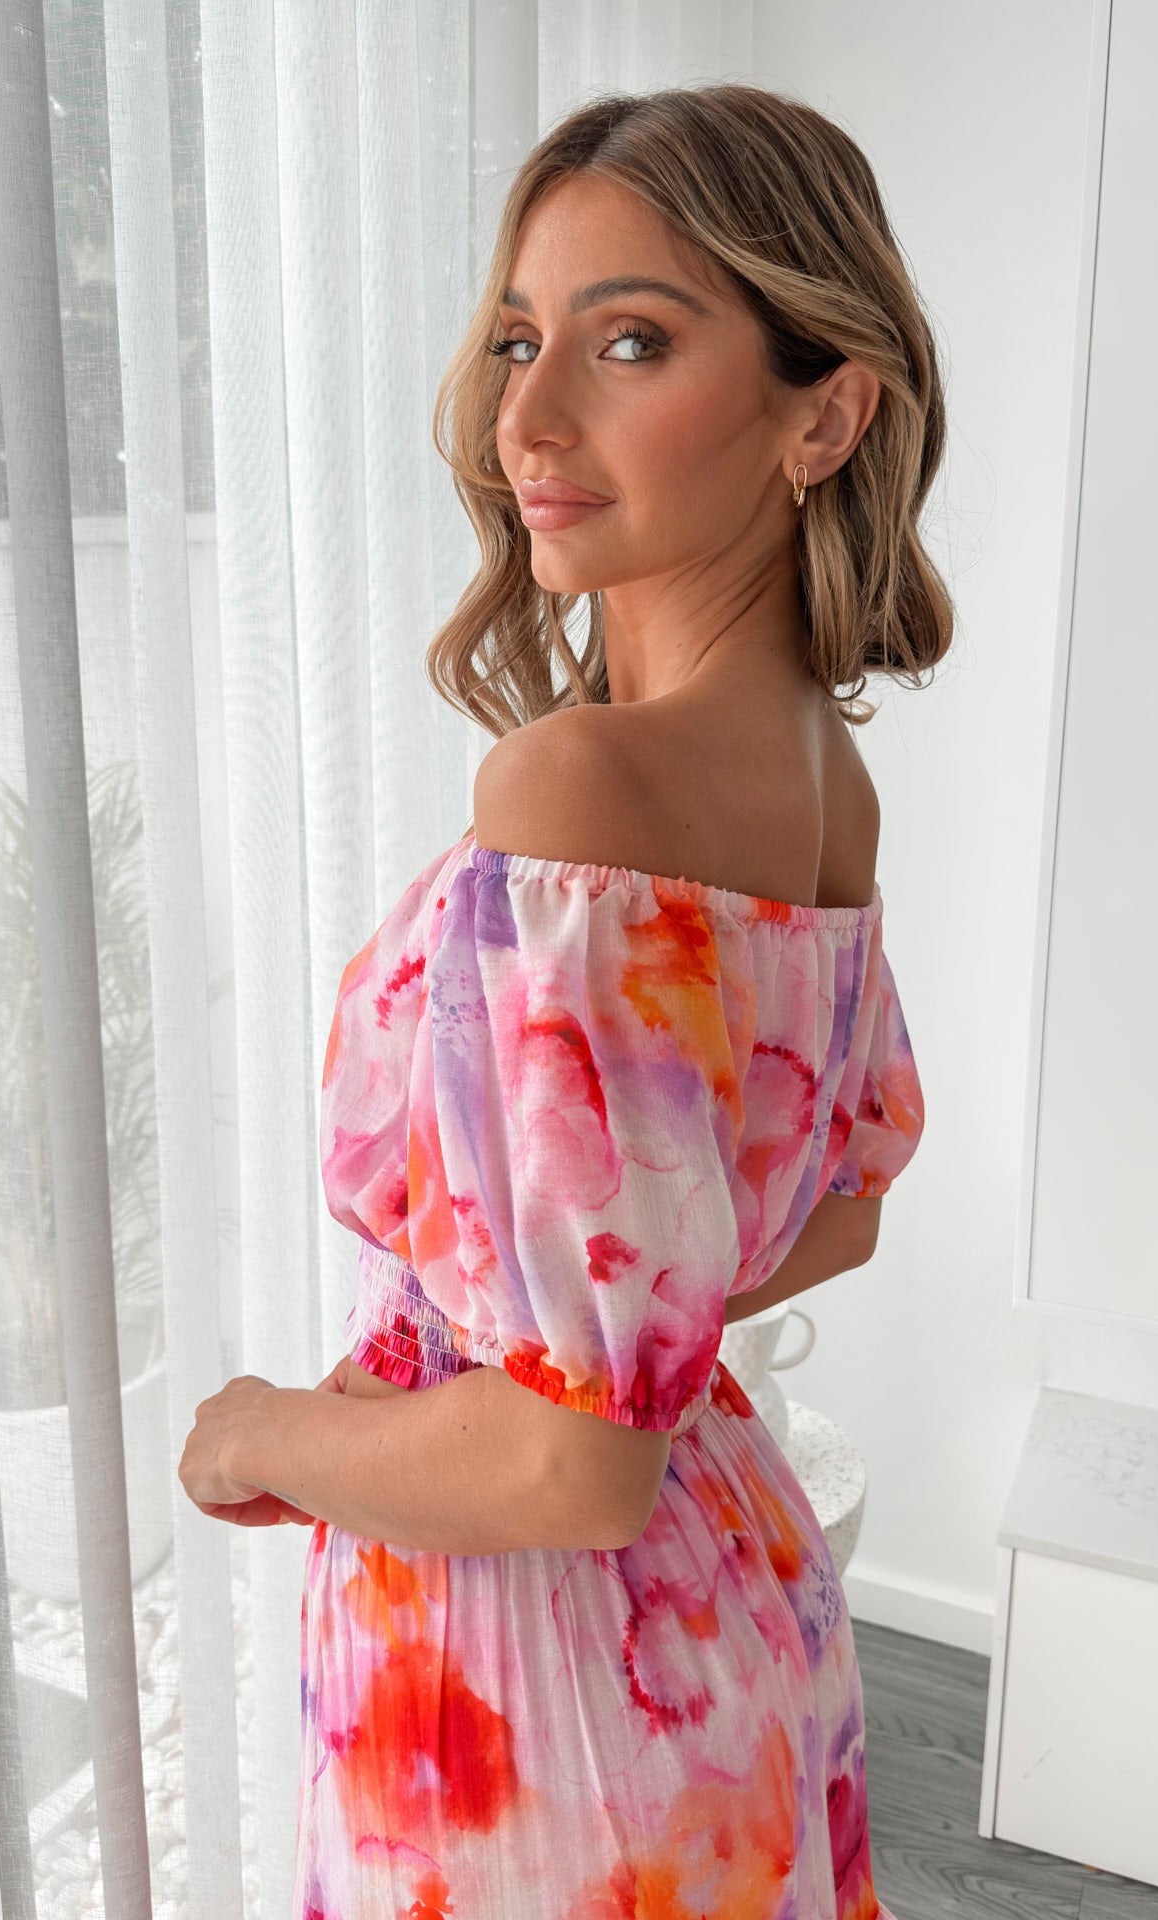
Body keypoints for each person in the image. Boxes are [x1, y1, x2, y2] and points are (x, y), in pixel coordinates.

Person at [179, 80, 950, 1917]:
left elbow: (570, 1467)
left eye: (630, 341)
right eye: (522, 339)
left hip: (533, 1678)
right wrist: (619, 1325)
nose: (527, 417)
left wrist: (263, 1429)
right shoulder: (824, 784)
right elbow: (834, 1213)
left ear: (824, 410)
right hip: (717, 1601)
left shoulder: (582, 787)